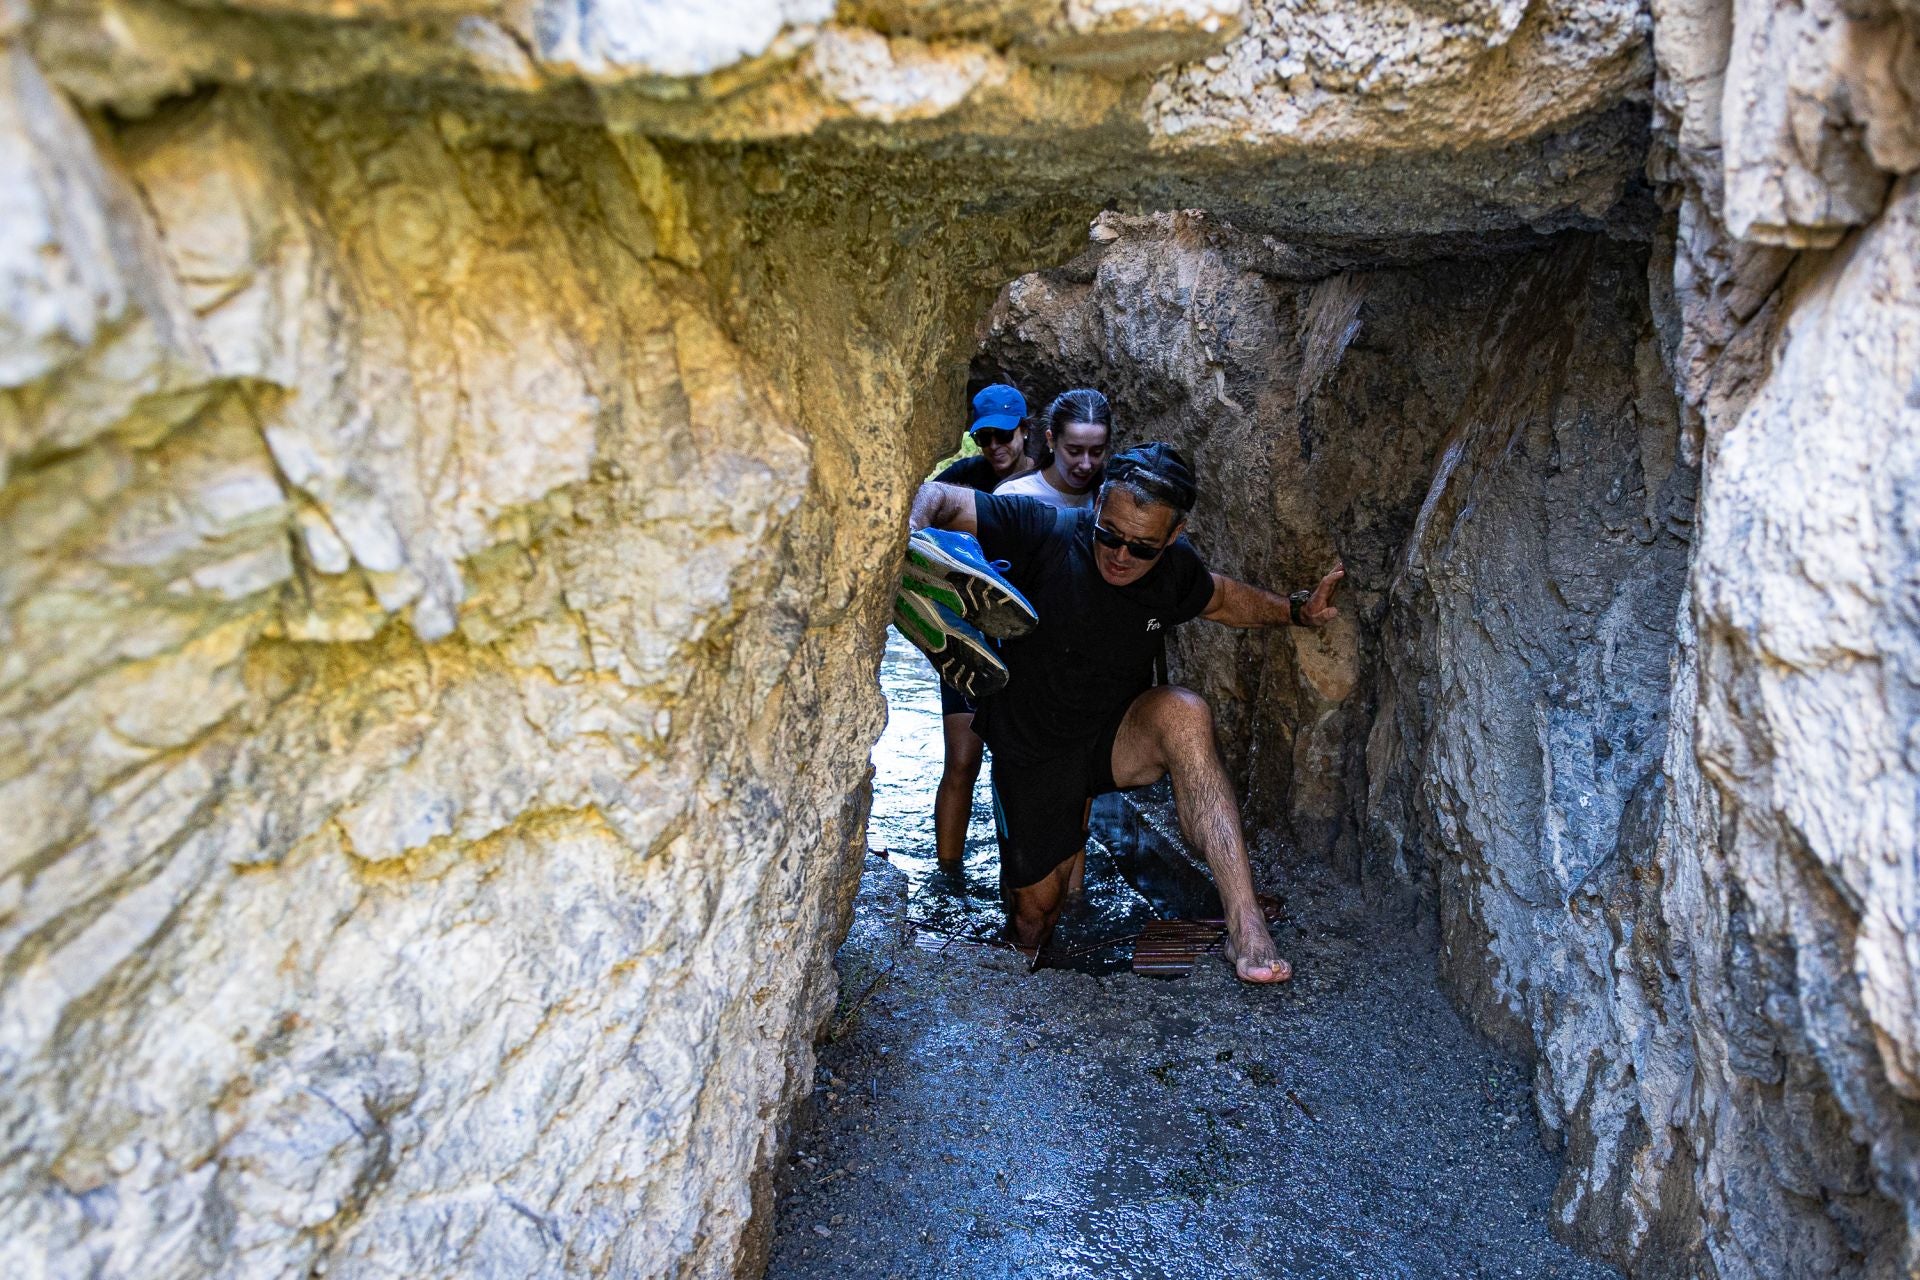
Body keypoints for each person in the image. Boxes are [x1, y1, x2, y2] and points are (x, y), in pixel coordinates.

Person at [901, 443, 1343, 983]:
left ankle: (1246, 928)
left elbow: (1224, 599)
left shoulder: (1175, 571)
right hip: (1035, 750)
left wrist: (1297, 612)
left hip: (1113, 738)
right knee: (1035, 918)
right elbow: (940, 497)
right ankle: (1010, 983)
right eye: (1108, 535)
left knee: (1184, 712)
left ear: (1174, 536)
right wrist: (912, 534)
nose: (1120, 556)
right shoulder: (1044, 529)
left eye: (1142, 547)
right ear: (1097, 506)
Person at [915, 382, 1037, 867]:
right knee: (962, 761)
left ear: (1026, 431)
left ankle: (1023, 874)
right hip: (969, 638)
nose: (994, 447)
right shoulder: (965, 478)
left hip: (1030, 641)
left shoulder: (1051, 480)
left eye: (1004, 436)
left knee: (1021, 764)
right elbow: (923, 501)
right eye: (985, 438)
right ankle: (948, 876)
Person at [994, 389, 1111, 509]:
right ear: (1051, 440)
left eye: (1096, 453)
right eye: (1074, 452)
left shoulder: (1110, 498)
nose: (1086, 465)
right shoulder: (1013, 496)